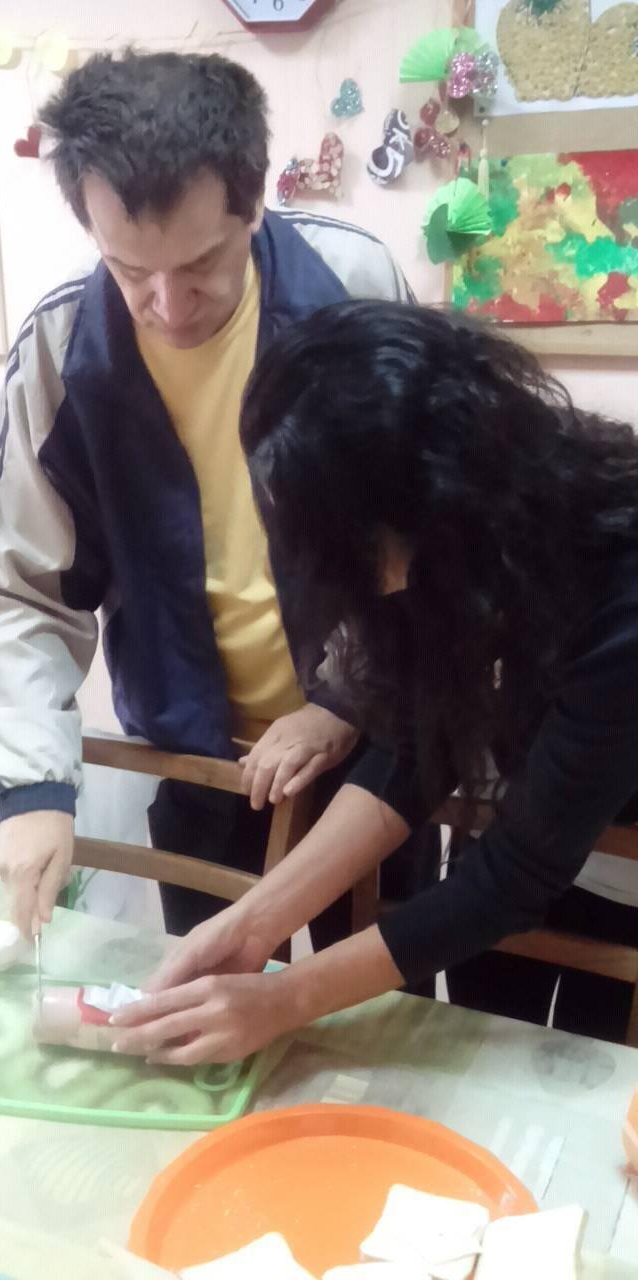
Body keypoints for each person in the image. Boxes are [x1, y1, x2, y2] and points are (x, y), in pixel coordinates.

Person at [0, 50, 438, 952]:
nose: (169, 306)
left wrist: (345, 699)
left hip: (372, 751)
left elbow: (434, 529)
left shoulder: (349, 288)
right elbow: (15, 586)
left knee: (366, 1009)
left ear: (253, 206)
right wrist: (32, 790)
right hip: (198, 760)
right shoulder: (66, 348)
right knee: (208, 1001)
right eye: (130, 270)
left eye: (202, 263)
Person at [110, 299, 638, 1065]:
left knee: (585, 1066)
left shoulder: (616, 584)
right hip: (519, 846)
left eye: (361, 550)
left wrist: (286, 998)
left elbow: (517, 876)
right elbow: (415, 742)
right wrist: (253, 921)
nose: (372, 584)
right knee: (474, 1036)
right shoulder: (457, 537)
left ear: (435, 497)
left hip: (614, 872)